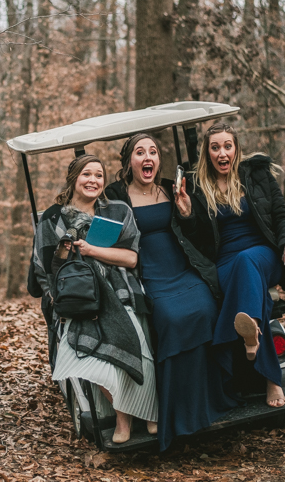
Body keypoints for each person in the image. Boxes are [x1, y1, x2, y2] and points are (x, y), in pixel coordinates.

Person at [105, 134, 237, 451]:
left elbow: (196, 234)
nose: (147, 157)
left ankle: (207, 403)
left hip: (182, 268)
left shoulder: (170, 187)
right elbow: (106, 236)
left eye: (153, 151)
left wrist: (187, 212)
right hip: (148, 274)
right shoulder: (116, 195)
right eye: (140, 152)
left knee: (206, 308)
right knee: (172, 318)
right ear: (129, 162)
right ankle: (176, 412)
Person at [30, 154, 158, 444]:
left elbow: (131, 258)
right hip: (78, 297)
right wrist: (58, 298)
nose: (93, 181)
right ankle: (123, 416)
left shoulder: (117, 211)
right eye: (87, 174)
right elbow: (43, 268)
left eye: (99, 175)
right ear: (74, 178)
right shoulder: (52, 219)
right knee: (91, 355)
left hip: (120, 289)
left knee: (136, 337)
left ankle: (151, 413)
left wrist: (91, 251)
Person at [185, 122, 285, 408]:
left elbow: (282, 215)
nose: (222, 153)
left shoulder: (256, 174)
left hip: (263, 254)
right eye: (215, 147)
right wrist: (187, 214)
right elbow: (197, 241)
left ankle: (253, 339)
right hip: (225, 263)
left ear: (236, 149)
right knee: (245, 274)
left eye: (227, 146)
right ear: (207, 152)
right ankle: (270, 378)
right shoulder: (197, 187)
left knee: (248, 262)